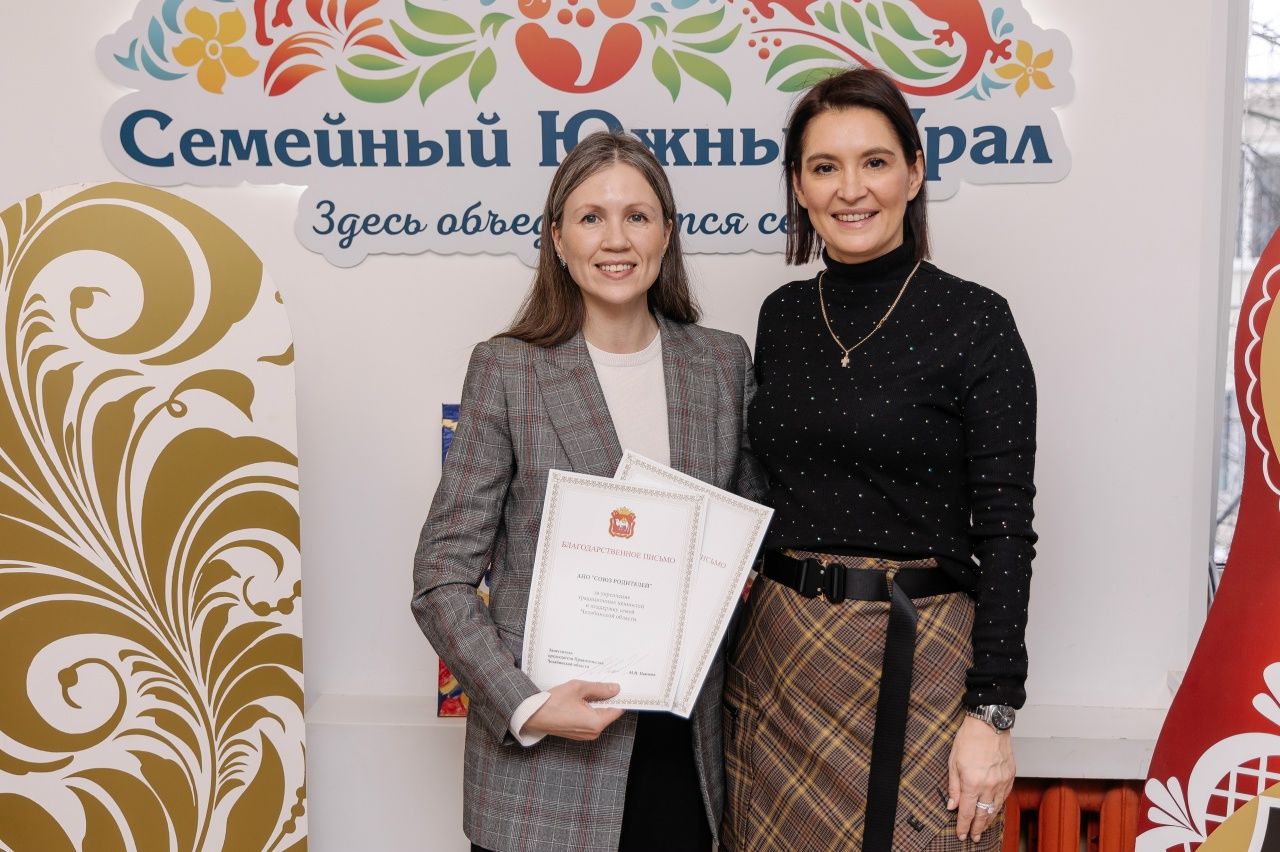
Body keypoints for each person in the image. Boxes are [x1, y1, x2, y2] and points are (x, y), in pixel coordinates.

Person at [411, 130, 766, 852]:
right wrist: (526, 705)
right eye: (591, 217)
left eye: (637, 216)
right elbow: (440, 578)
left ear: (667, 232)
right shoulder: (507, 370)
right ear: (557, 238)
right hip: (543, 769)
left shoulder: (722, 366)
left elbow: (747, 549)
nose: (616, 239)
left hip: (682, 754)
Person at [722, 67, 1037, 852]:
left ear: (914, 172)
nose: (850, 189)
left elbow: (1006, 531)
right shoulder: (782, 317)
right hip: (781, 667)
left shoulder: (976, 320)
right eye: (825, 166)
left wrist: (992, 713)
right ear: (799, 186)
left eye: (875, 161)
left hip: (920, 663)